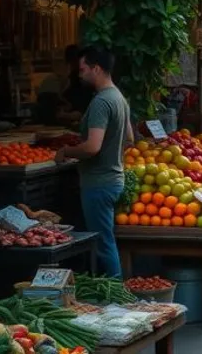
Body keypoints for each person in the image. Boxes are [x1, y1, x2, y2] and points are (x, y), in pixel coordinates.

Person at [54, 47, 134, 277]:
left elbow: (92, 146)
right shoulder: (119, 97)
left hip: (98, 183)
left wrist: (66, 151)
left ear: (96, 68)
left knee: (103, 243)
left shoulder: (101, 102)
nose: (79, 74)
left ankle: (115, 298)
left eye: (83, 69)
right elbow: (129, 139)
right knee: (107, 240)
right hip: (114, 179)